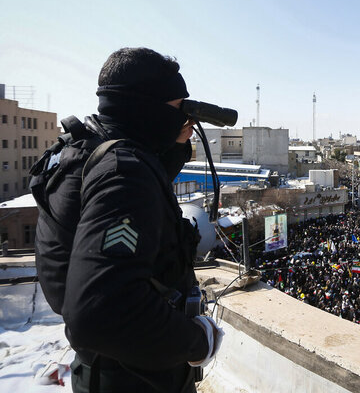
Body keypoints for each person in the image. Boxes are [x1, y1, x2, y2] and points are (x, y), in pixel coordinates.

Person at [32, 47, 221, 392]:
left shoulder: (88, 152)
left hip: (107, 368)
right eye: (180, 108)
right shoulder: (124, 173)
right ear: (146, 109)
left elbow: (147, 189)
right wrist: (197, 341)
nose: (188, 119)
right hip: (136, 378)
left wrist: (174, 140)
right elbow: (99, 313)